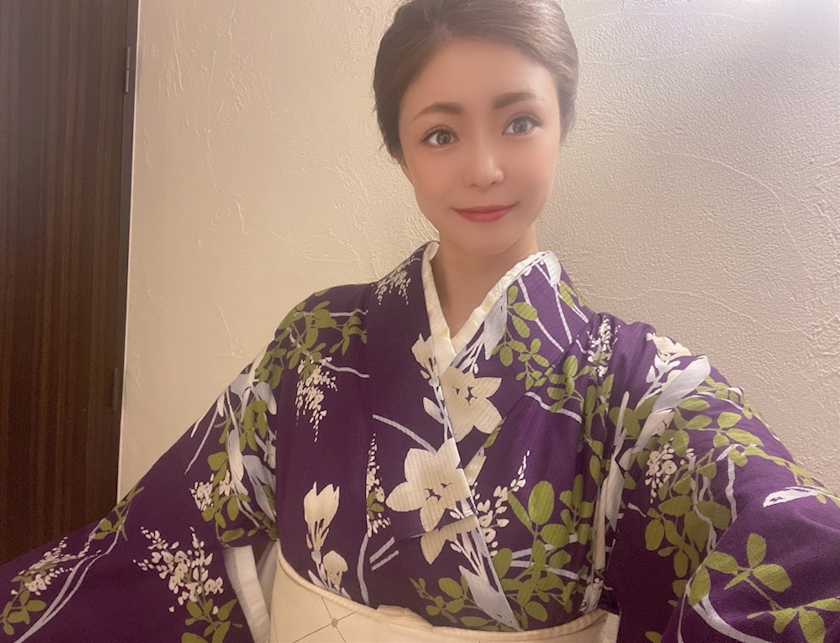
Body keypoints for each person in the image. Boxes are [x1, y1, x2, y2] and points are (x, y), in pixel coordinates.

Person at [2, 0, 838, 641]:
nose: (484, 167)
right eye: (441, 134)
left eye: (519, 121)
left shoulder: (632, 387)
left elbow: (794, 547)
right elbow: (159, 539)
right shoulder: (318, 345)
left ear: (564, 123)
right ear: (400, 150)